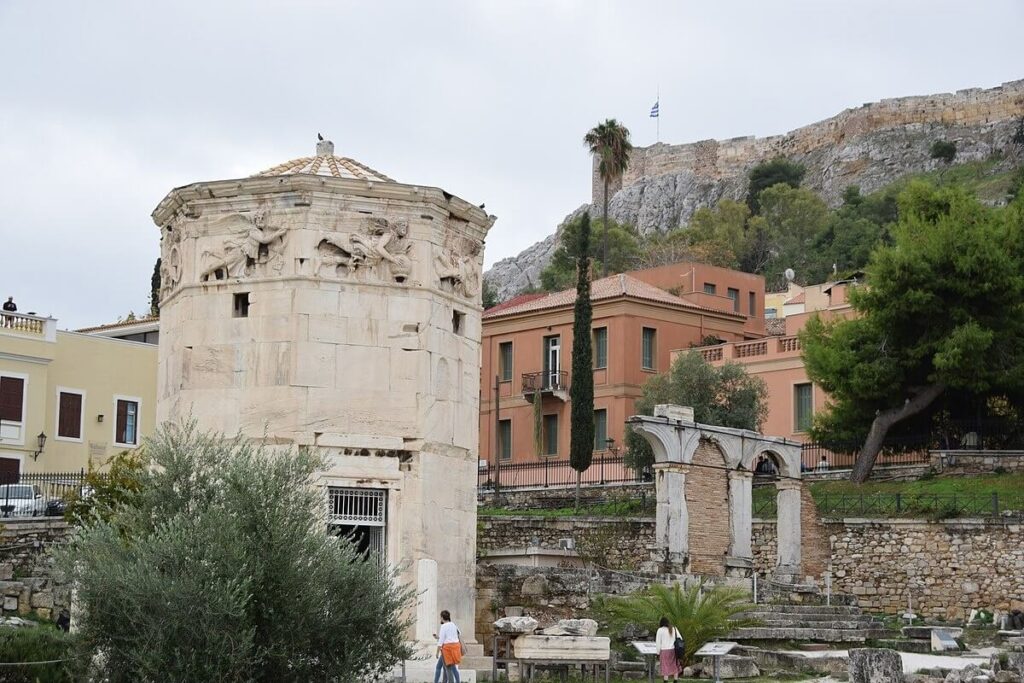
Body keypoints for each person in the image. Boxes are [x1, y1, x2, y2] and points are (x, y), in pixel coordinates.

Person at [436, 609, 462, 683]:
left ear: (442, 617)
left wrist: (437, 652)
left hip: (447, 649)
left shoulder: (444, 626)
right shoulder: (453, 624)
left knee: (448, 669)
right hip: (456, 648)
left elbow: (440, 642)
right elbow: (458, 633)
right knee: (446, 668)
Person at [655, 616, 681, 682]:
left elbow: (658, 643)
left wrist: (658, 653)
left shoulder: (660, 630)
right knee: (675, 666)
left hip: (664, 651)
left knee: (665, 667)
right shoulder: (674, 628)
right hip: (673, 650)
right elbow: (680, 638)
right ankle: (675, 681)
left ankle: (666, 681)